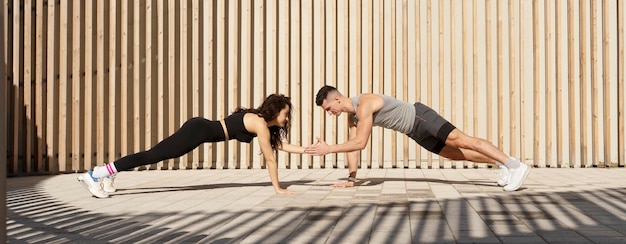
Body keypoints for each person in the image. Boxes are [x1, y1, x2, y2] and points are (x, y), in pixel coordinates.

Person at [78, 94, 309, 198]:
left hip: (200, 128)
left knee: (153, 154)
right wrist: (278, 188)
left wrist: (308, 150)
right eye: (286, 114)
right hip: (197, 132)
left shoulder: (262, 125)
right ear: (276, 110)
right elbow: (270, 158)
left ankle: (108, 174)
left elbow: (281, 146)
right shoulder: (259, 123)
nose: (287, 119)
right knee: (153, 155)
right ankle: (96, 174)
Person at [305, 85, 531, 191]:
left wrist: (328, 149)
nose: (329, 113)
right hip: (413, 131)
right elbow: (353, 148)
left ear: (336, 99)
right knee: (456, 155)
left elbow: (360, 142)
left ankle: (516, 165)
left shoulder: (364, 104)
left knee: (463, 140)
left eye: (328, 108)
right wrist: (352, 179)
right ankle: (503, 163)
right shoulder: (353, 117)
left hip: (420, 117)